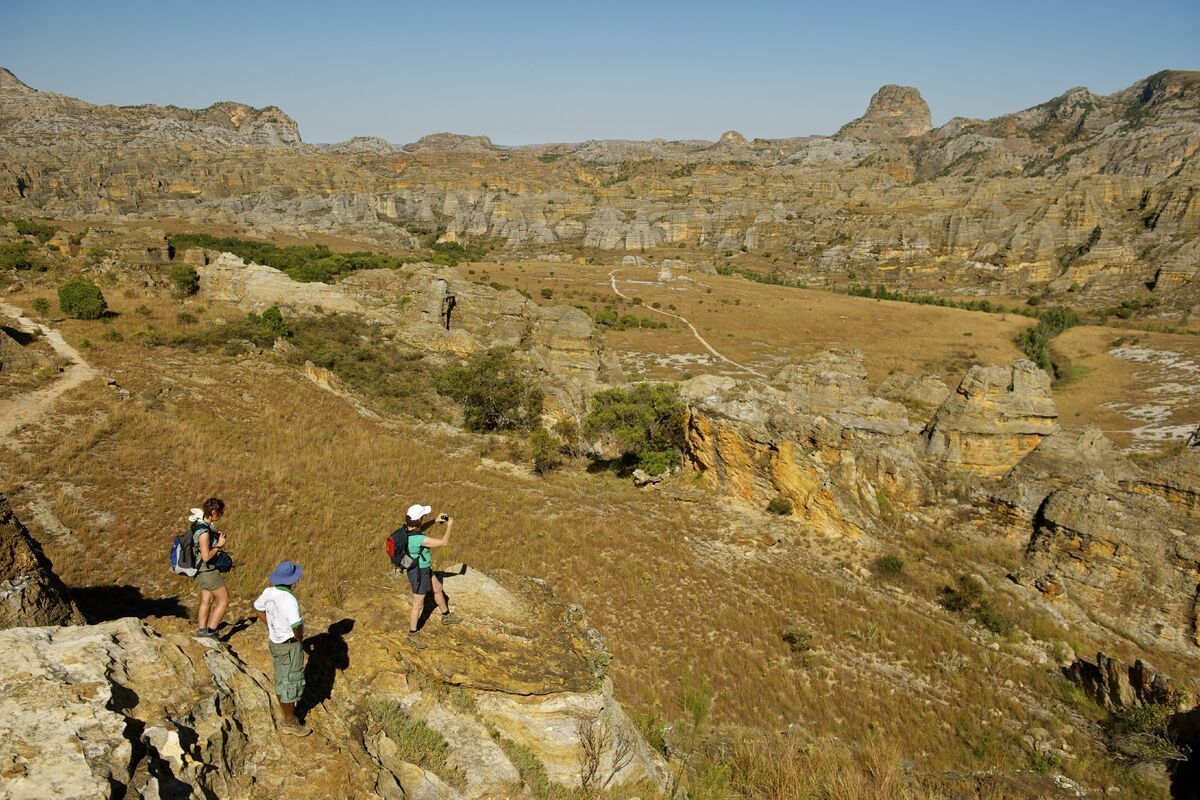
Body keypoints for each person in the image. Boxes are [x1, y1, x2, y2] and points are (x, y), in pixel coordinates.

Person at [253, 561, 311, 737]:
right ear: (292, 580)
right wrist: (299, 638)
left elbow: (257, 608)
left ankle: (286, 713)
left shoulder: (268, 592)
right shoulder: (289, 599)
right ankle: (289, 721)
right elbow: (296, 624)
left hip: (275, 642)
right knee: (291, 681)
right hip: (289, 644)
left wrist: (270, 625)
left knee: (280, 678)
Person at [399, 503, 461, 649]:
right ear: (419, 520)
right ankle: (412, 634)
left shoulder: (406, 530)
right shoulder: (419, 539)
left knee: (437, 588)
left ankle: (446, 616)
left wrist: (434, 521)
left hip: (423, 568)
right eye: (423, 516)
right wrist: (449, 526)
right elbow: (444, 543)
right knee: (417, 604)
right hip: (419, 572)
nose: (424, 518)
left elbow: (420, 529)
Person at [191, 497, 229, 639]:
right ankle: (212, 632)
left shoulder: (199, 525)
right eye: (220, 512)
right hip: (207, 570)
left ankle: (202, 631)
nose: (221, 515)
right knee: (224, 601)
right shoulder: (204, 532)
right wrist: (219, 544)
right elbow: (206, 556)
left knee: (207, 600)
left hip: (200, 569)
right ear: (213, 512)